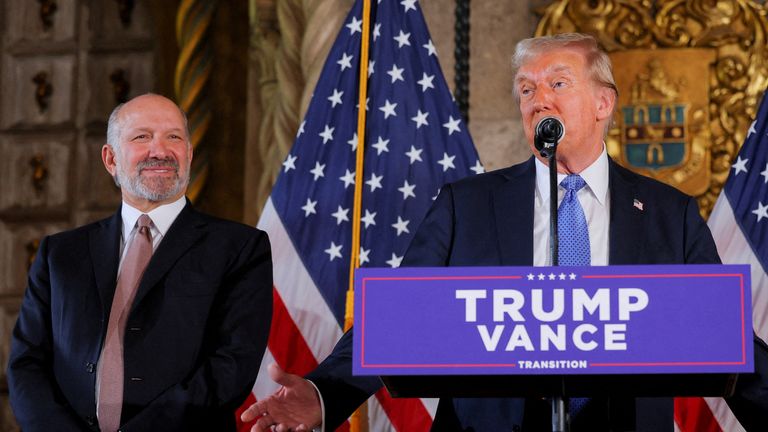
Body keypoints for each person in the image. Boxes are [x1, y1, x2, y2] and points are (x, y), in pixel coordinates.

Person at [241, 33, 768, 431]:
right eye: (526, 89)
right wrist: (325, 392)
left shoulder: (668, 213)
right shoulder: (465, 205)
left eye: (558, 83)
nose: (539, 98)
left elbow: (718, 333)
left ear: (604, 103)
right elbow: (403, 319)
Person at [7, 94, 273, 432]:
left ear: (189, 154)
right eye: (141, 137)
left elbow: (231, 366)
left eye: (173, 137)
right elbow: (26, 364)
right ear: (111, 158)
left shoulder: (240, 248)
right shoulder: (59, 253)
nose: (160, 151)